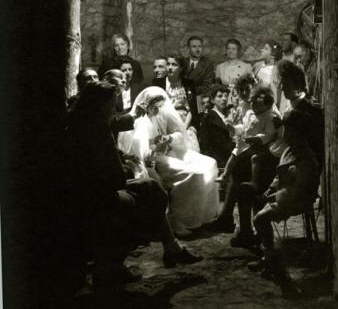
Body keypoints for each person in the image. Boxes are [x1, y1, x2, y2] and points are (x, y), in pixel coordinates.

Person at [63, 82, 201, 291]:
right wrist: (129, 169)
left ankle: (170, 247)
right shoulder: (98, 130)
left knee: (151, 188)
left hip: (87, 190)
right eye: (111, 105)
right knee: (148, 197)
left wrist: (123, 159)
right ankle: (117, 265)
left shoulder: (81, 123)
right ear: (100, 106)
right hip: (96, 196)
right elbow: (113, 177)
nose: (113, 109)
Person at [118, 87, 220, 237]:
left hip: (169, 151)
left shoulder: (162, 114)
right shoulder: (139, 121)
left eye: (160, 106)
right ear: (146, 105)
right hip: (154, 158)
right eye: (154, 106)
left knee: (209, 163)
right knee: (190, 173)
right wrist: (155, 143)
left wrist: (170, 138)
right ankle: (178, 220)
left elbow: (179, 133)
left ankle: (202, 215)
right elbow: (140, 150)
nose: (158, 109)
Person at [235, 110, 319, 289]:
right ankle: (267, 255)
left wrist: (275, 196)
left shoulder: (305, 158)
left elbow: (298, 190)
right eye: (285, 130)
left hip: (297, 199)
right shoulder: (290, 149)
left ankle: (274, 262)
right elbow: (279, 174)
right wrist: (270, 189)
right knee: (257, 202)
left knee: (260, 218)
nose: (286, 134)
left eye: (290, 131)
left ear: (300, 133)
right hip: (284, 194)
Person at [206, 85, 282, 234]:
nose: (252, 105)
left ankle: (238, 225)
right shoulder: (250, 111)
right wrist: (235, 129)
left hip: (266, 156)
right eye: (251, 102)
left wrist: (258, 140)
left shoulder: (272, 116)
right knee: (238, 166)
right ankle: (237, 225)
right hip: (251, 149)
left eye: (256, 103)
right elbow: (244, 127)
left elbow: (272, 136)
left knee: (240, 171)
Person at [276, 60, 324, 170]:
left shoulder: (307, 111)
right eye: (282, 83)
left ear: (297, 85)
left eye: (286, 84)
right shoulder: (290, 105)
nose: (282, 88)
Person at [153, 53, 199, 128]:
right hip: (164, 121)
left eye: (174, 65)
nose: (170, 67)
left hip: (184, 121)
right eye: (168, 64)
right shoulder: (158, 82)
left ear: (181, 68)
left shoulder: (189, 84)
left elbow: (192, 109)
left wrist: (184, 127)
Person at [199, 84, 235, 168]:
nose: (224, 99)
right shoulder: (208, 117)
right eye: (220, 96)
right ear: (212, 100)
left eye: (226, 96)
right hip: (218, 162)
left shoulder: (226, 115)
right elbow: (204, 144)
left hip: (229, 159)